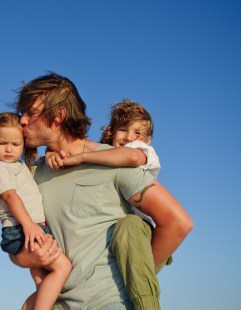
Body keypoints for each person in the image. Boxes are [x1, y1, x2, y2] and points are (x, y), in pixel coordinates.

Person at [12, 72, 193, 309]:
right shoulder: (32, 176)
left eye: (31, 112)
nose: (22, 120)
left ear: (58, 116)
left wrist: (138, 277)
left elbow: (177, 223)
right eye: (21, 113)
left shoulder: (112, 162)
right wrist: (26, 257)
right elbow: (18, 250)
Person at [44, 100, 167, 309]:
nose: (129, 137)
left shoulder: (143, 152)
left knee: (128, 226)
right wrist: (51, 153)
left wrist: (80, 157)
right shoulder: (104, 153)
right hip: (121, 244)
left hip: (141, 233)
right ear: (111, 132)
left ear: (147, 139)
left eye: (138, 133)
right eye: (122, 130)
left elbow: (129, 155)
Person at [0, 112, 72, 310]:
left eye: (15, 144)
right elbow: (10, 197)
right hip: (22, 229)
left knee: (45, 286)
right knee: (63, 267)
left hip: (30, 227)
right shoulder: (0, 169)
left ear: (24, 143)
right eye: (2, 143)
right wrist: (29, 225)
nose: (8, 149)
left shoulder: (19, 166)